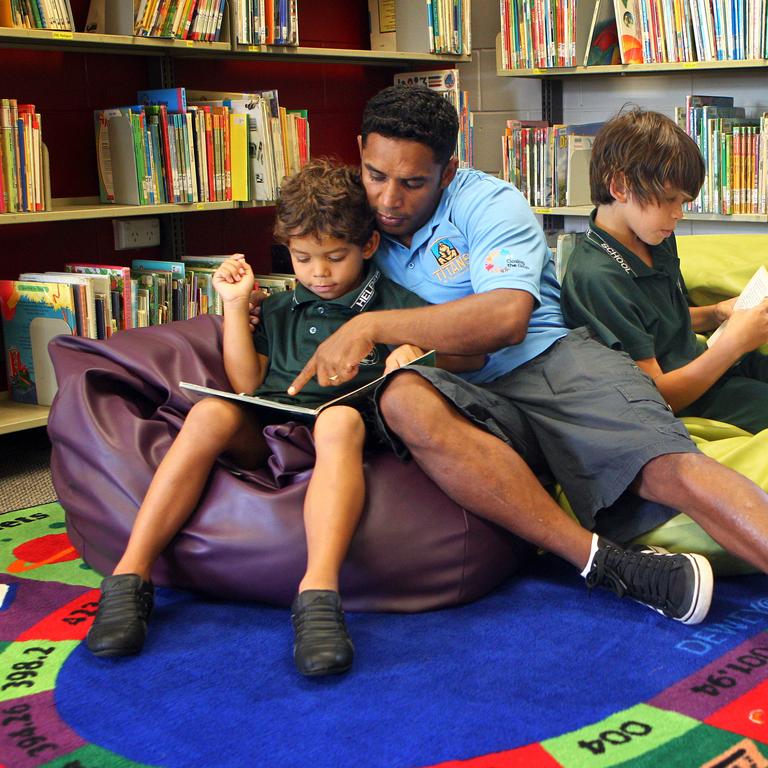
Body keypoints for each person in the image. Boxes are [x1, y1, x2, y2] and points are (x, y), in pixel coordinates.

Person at [287, 85, 768, 626]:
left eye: (413, 182)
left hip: (552, 364)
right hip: (463, 390)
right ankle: (606, 564)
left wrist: (374, 326)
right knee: (401, 400)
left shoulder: (489, 202)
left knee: (669, 468)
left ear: (446, 173)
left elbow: (506, 319)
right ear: (360, 153)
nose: (389, 200)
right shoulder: (351, 215)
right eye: (376, 175)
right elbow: (309, 277)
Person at [86, 159, 482, 677]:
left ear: (366, 246)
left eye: (335, 258)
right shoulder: (277, 307)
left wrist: (410, 349)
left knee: (338, 421)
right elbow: (247, 382)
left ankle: (317, 595)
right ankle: (129, 578)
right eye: (302, 258)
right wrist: (233, 307)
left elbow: (469, 352)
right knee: (208, 413)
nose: (319, 273)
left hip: (348, 432)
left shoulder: (391, 304)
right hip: (273, 429)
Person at [559, 107, 768, 435]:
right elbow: (656, 396)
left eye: (683, 202)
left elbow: (662, 319)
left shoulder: (654, 237)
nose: (678, 215)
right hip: (691, 393)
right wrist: (736, 344)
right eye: (669, 199)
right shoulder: (596, 277)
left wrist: (717, 313)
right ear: (619, 186)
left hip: (709, 362)